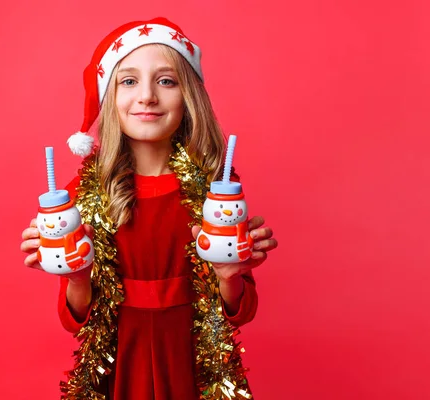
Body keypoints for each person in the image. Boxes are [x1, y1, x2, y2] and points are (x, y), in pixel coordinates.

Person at [20, 17, 278, 400]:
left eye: (166, 80)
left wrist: (229, 275)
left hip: (191, 359)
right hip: (120, 359)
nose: (147, 96)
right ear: (110, 99)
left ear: (189, 96)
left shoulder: (214, 190)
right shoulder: (87, 194)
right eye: (128, 81)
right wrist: (76, 276)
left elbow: (239, 310)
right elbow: (76, 320)